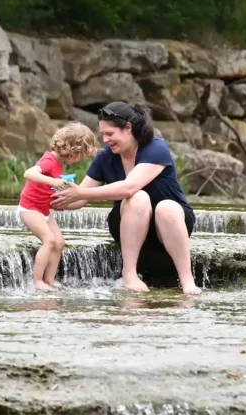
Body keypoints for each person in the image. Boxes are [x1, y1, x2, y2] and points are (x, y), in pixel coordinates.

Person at [51, 101, 201, 295]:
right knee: (137, 199)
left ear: (128, 128)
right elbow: (81, 197)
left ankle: (187, 280)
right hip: (129, 225)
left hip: (171, 224)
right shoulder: (106, 157)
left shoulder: (155, 148)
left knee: (162, 205)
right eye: (103, 134)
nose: (105, 140)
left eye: (110, 134)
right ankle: (129, 274)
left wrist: (80, 193)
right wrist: (56, 199)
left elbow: (128, 187)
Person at [17, 122, 99, 290]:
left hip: (44, 210)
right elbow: (29, 173)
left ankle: (50, 280)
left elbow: (48, 189)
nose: (79, 160)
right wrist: (53, 181)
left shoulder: (58, 163)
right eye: (79, 155)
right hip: (30, 208)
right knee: (49, 240)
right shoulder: (49, 160)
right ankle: (37, 281)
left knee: (59, 242)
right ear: (71, 149)